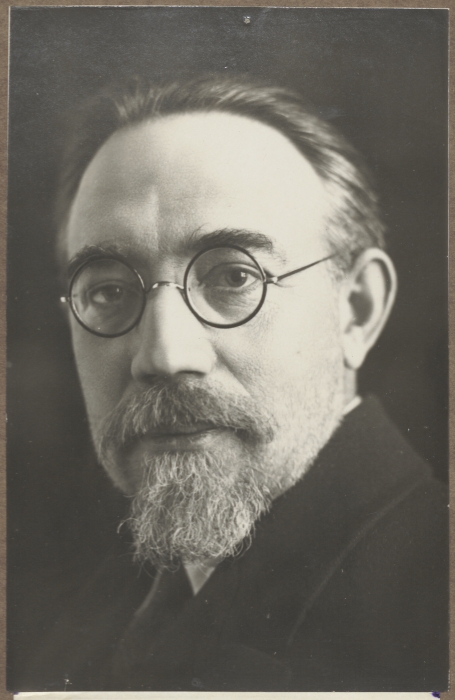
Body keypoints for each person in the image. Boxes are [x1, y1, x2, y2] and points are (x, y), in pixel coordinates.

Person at [25, 75, 448, 691]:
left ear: (357, 309)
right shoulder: (68, 627)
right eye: (109, 291)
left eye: (233, 278)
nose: (164, 355)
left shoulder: (432, 611)